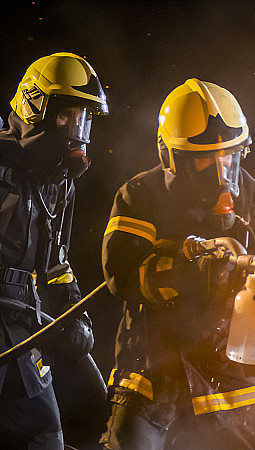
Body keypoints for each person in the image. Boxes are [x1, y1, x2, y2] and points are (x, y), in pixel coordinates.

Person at [100, 78, 255, 449]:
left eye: (228, 156)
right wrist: (183, 276)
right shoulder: (141, 196)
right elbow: (120, 274)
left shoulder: (254, 198)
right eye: (202, 158)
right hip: (155, 373)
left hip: (234, 374)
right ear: (171, 156)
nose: (220, 173)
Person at [0, 52, 108, 448]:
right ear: (34, 107)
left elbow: (56, 264)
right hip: (13, 319)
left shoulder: (58, 184)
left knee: (45, 436)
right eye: (67, 117)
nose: (76, 130)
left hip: (21, 325)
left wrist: (74, 313)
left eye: (84, 119)